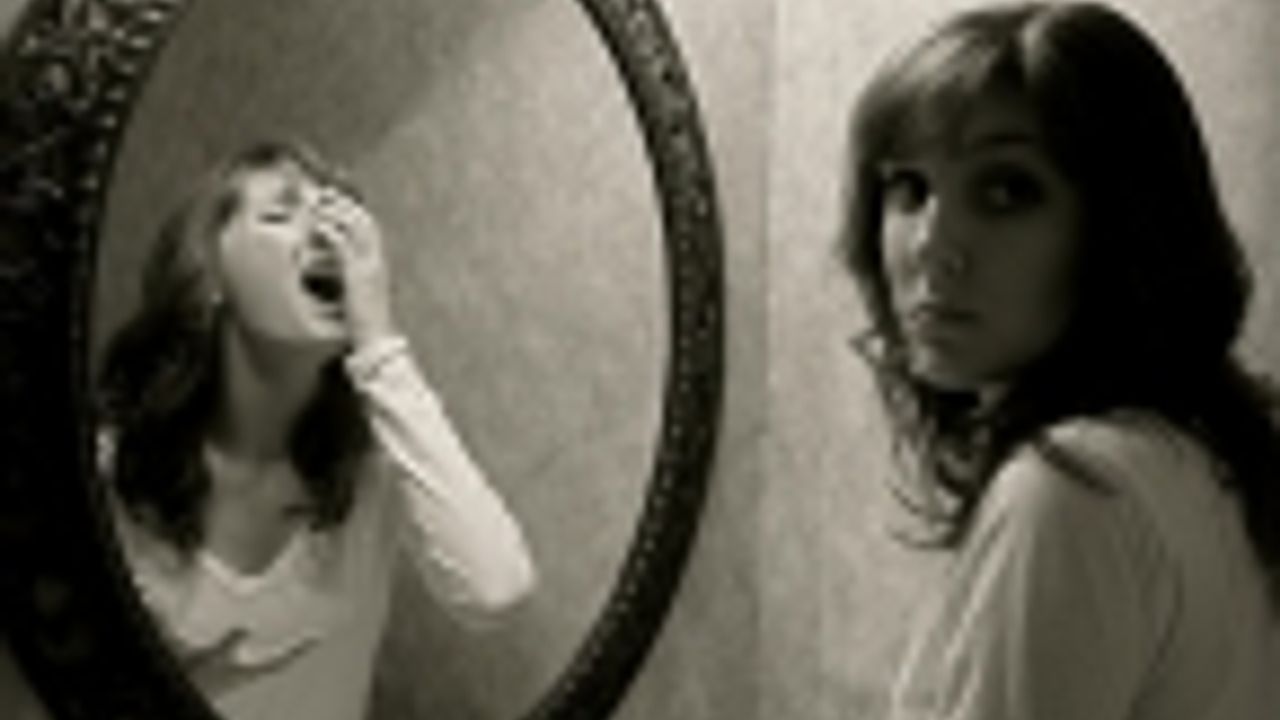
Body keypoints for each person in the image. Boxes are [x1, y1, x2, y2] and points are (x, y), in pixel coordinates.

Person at [840, 3, 1280, 718]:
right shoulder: (1201, 459)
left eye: (1006, 190)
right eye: (909, 188)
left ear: (1123, 222)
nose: (932, 246)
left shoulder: (1070, 492)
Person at [96, 140, 536, 720]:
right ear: (208, 277)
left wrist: (377, 341)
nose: (328, 233)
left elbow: (496, 589)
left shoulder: (376, 467)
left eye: (334, 211)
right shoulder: (107, 477)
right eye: (281, 214)